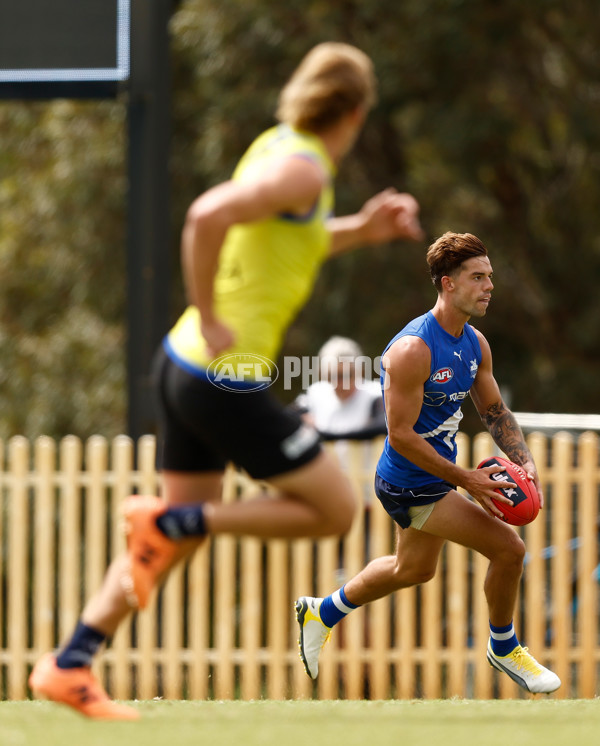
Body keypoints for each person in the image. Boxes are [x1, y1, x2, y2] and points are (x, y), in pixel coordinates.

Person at [28, 42, 423, 719]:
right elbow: (207, 215)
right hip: (220, 374)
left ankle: (72, 662)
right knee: (333, 509)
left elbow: (289, 241)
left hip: (180, 366)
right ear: (356, 113)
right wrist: (209, 312)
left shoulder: (282, 147)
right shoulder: (303, 169)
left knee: (167, 545)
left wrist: (359, 229)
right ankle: (172, 519)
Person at [295, 231, 561, 695]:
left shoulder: (475, 344)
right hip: (408, 481)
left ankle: (322, 611)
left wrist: (524, 460)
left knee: (413, 569)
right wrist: (467, 481)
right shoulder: (412, 350)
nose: (488, 286)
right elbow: (399, 435)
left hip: (438, 475)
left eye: (489, 277)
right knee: (509, 550)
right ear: (447, 284)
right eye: (477, 277)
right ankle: (503, 646)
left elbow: (495, 412)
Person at [294, 335, 386, 441]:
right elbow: (288, 419)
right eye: (332, 376)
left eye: (346, 375)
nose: (340, 383)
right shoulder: (315, 393)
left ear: (359, 371)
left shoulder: (375, 394)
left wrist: (320, 433)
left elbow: (382, 428)